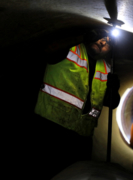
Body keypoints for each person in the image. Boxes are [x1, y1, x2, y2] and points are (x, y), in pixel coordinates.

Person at [32, 29, 120, 179]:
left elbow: (111, 103)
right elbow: (49, 50)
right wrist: (82, 36)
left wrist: (114, 89)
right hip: (51, 128)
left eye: (108, 42)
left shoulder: (107, 69)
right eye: (100, 37)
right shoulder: (72, 49)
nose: (103, 42)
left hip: (81, 138)